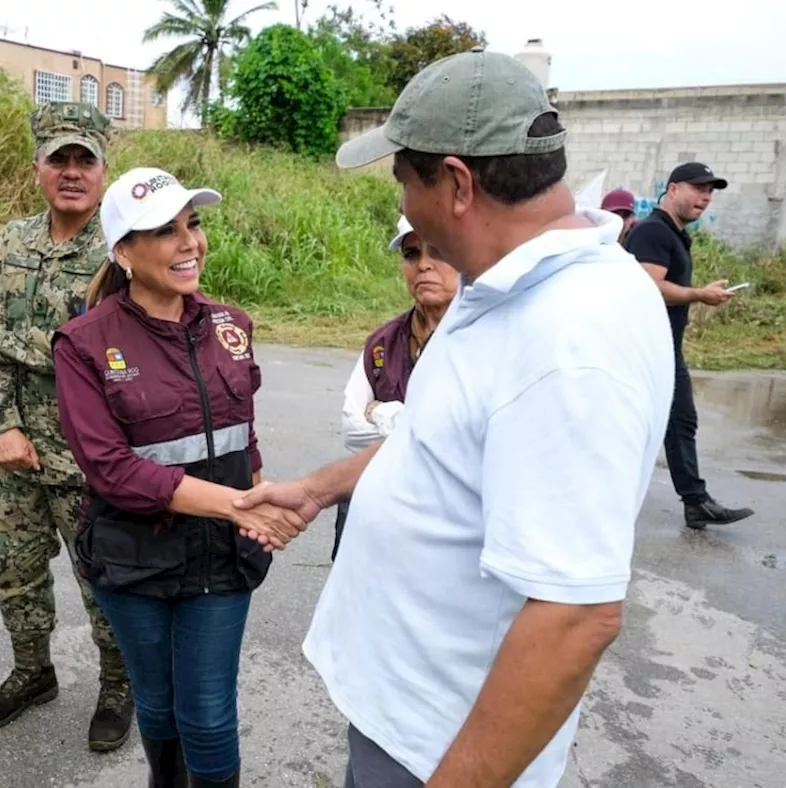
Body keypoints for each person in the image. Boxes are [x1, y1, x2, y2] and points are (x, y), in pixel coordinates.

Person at [235, 49, 676, 788]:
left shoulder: (569, 339)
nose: (401, 201)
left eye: (404, 178)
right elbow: (444, 443)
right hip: (407, 712)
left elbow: (575, 617)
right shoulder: (503, 288)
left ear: (459, 183)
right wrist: (326, 486)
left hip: (442, 746)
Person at [52, 166, 302, 788]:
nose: (189, 242)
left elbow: (242, 428)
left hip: (220, 560)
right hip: (132, 556)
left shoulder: (231, 326)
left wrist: (261, 496)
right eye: (164, 231)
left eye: (192, 224)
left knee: (210, 716)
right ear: (124, 253)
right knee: (158, 706)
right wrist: (239, 505)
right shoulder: (83, 343)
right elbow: (109, 469)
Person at [0, 101, 133, 752]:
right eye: (57, 159)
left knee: (107, 584)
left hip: (95, 459)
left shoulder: (121, 253)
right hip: (21, 457)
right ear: (37, 167)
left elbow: (106, 354)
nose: (70, 172)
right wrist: (3, 429)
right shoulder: (9, 244)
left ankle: (120, 686)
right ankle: (32, 672)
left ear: (103, 170)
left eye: (83, 160)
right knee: (16, 572)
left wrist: (7, 338)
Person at [623, 163, 754, 530]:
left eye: (710, 192)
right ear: (673, 189)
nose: (706, 197)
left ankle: (695, 502)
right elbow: (649, 286)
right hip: (649, 348)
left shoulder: (674, 233)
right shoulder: (653, 232)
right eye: (699, 189)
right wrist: (698, 294)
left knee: (677, 422)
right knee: (672, 421)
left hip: (664, 346)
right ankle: (694, 501)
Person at [332, 215, 459, 561]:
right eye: (412, 254)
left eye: (438, 252)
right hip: (373, 502)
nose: (424, 266)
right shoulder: (383, 342)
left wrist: (386, 412)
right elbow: (352, 429)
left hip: (446, 517)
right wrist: (411, 423)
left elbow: (459, 439)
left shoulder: (478, 338)